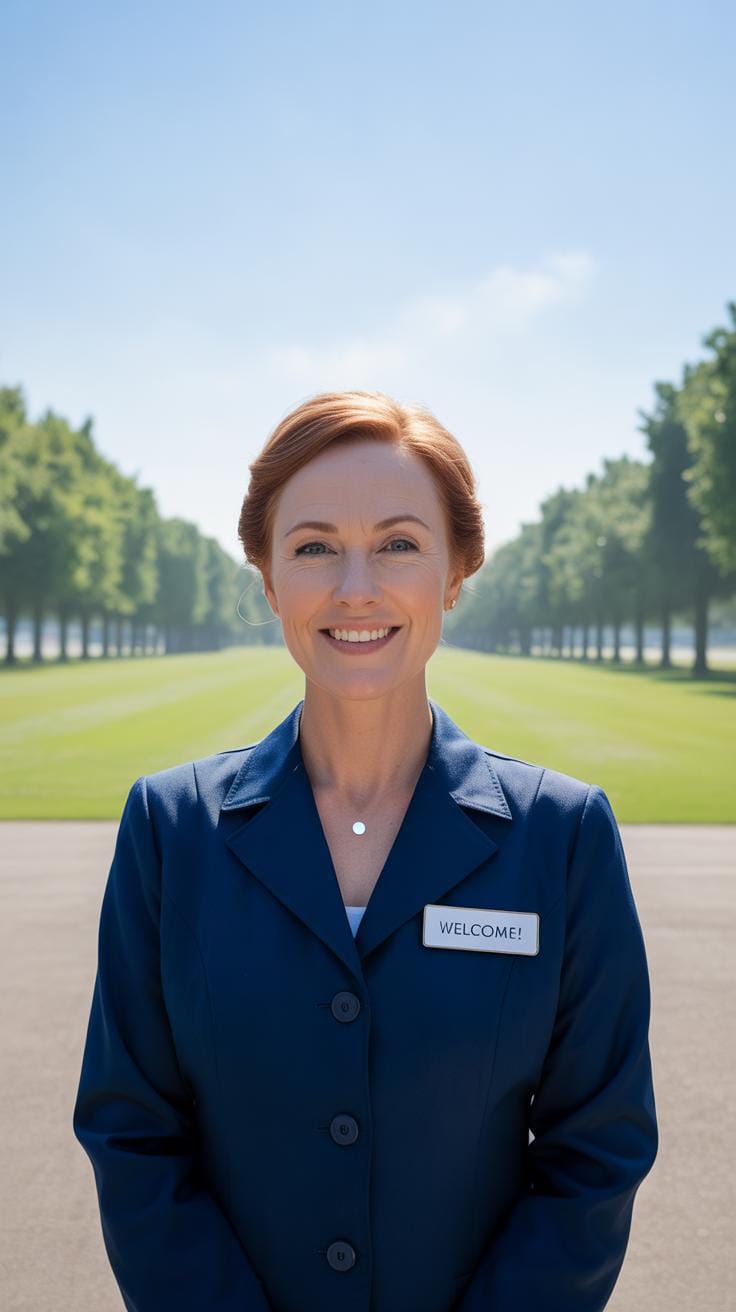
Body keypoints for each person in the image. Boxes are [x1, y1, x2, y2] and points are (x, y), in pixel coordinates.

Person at [72, 389, 658, 1312]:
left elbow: (597, 1154)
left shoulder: (565, 838)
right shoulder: (167, 831)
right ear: (267, 579)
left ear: (457, 571)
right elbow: (132, 1134)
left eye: (397, 543)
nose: (355, 587)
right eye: (312, 547)